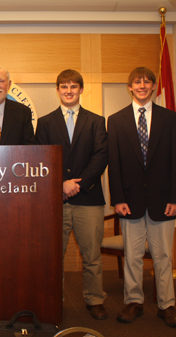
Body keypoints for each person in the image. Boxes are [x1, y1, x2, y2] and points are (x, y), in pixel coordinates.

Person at [108, 67, 176, 328]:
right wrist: (117, 198)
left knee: (163, 256)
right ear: (129, 87)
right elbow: (114, 163)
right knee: (132, 255)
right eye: (136, 82)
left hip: (163, 201)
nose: (141, 85)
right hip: (129, 200)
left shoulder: (170, 118)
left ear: (153, 86)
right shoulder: (116, 120)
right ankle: (133, 302)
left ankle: (167, 305)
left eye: (147, 81)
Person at [36, 69, 108, 320]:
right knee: (54, 256)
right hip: (55, 201)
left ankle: (95, 299)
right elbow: (41, 159)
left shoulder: (97, 121)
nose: (68, 91)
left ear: (80, 89)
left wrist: (77, 184)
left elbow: (101, 156)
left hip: (88, 198)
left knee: (92, 256)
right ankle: (54, 299)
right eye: (64, 86)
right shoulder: (45, 122)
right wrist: (60, 184)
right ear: (57, 90)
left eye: (73, 86)